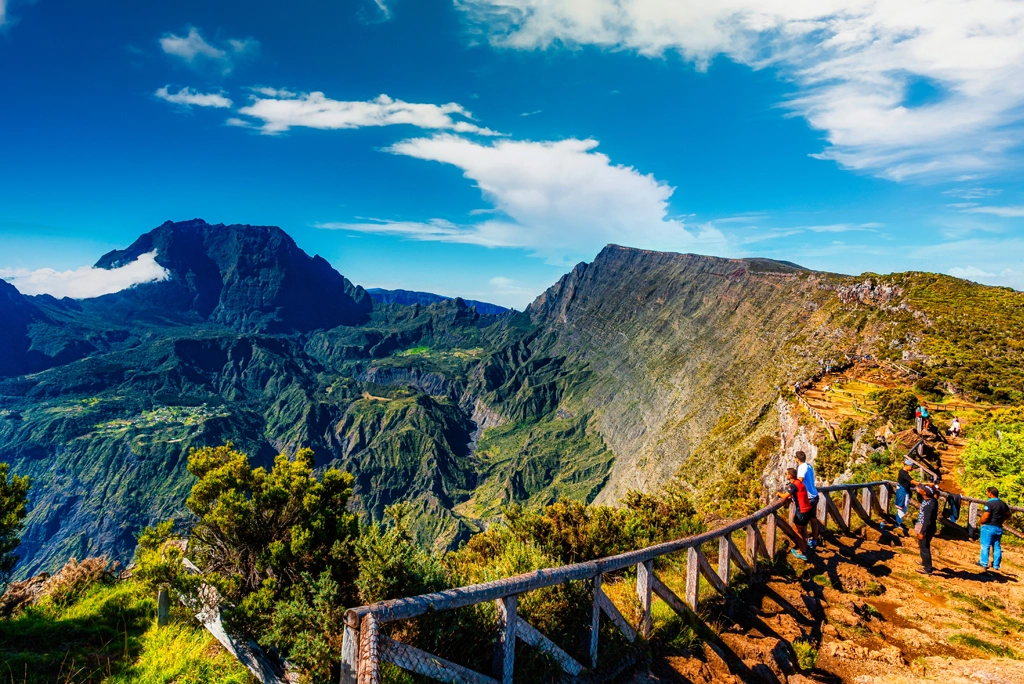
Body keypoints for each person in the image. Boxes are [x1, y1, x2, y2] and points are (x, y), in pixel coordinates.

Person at [780, 467, 813, 561]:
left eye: (786, 474)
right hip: (808, 509)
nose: (786, 475)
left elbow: (785, 496)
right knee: (804, 530)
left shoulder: (793, 485)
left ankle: (803, 552)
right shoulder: (800, 483)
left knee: (796, 530)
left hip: (801, 511)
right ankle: (805, 548)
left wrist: (779, 494)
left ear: (790, 475)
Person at [979, 487, 1010, 571]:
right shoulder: (1003, 504)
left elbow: (986, 516)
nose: (987, 494)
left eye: (987, 492)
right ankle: (996, 565)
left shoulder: (989, 504)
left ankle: (983, 563)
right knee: (997, 547)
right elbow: (1008, 514)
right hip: (998, 527)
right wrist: (1002, 519)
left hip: (988, 526)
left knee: (985, 545)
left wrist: (981, 521)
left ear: (990, 493)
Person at [796, 451, 822, 548]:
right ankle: (814, 541)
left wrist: (792, 490)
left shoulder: (802, 467)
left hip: (808, 498)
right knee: (813, 520)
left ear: (797, 459)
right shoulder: (809, 466)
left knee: (803, 523)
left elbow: (800, 481)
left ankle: (804, 546)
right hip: (814, 496)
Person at [915, 484, 939, 575]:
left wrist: (922, 532)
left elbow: (927, 521)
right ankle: (925, 562)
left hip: (926, 528)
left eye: (921, 489)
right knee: (922, 545)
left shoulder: (930, 505)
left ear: (925, 492)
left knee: (924, 547)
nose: (919, 489)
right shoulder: (929, 500)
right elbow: (920, 498)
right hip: (923, 526)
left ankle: (928, 568)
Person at [893, 460, 918, 533]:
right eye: (911, 466)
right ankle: (898, 523)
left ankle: (899, 522)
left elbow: (908, 482)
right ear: (907, 465)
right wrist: (919, 484)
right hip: (902, 492)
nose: (912, 468)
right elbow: (911, 481)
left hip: (904, 491)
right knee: (901, 508)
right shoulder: (903, 473)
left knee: (902, 508)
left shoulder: (903, 472)